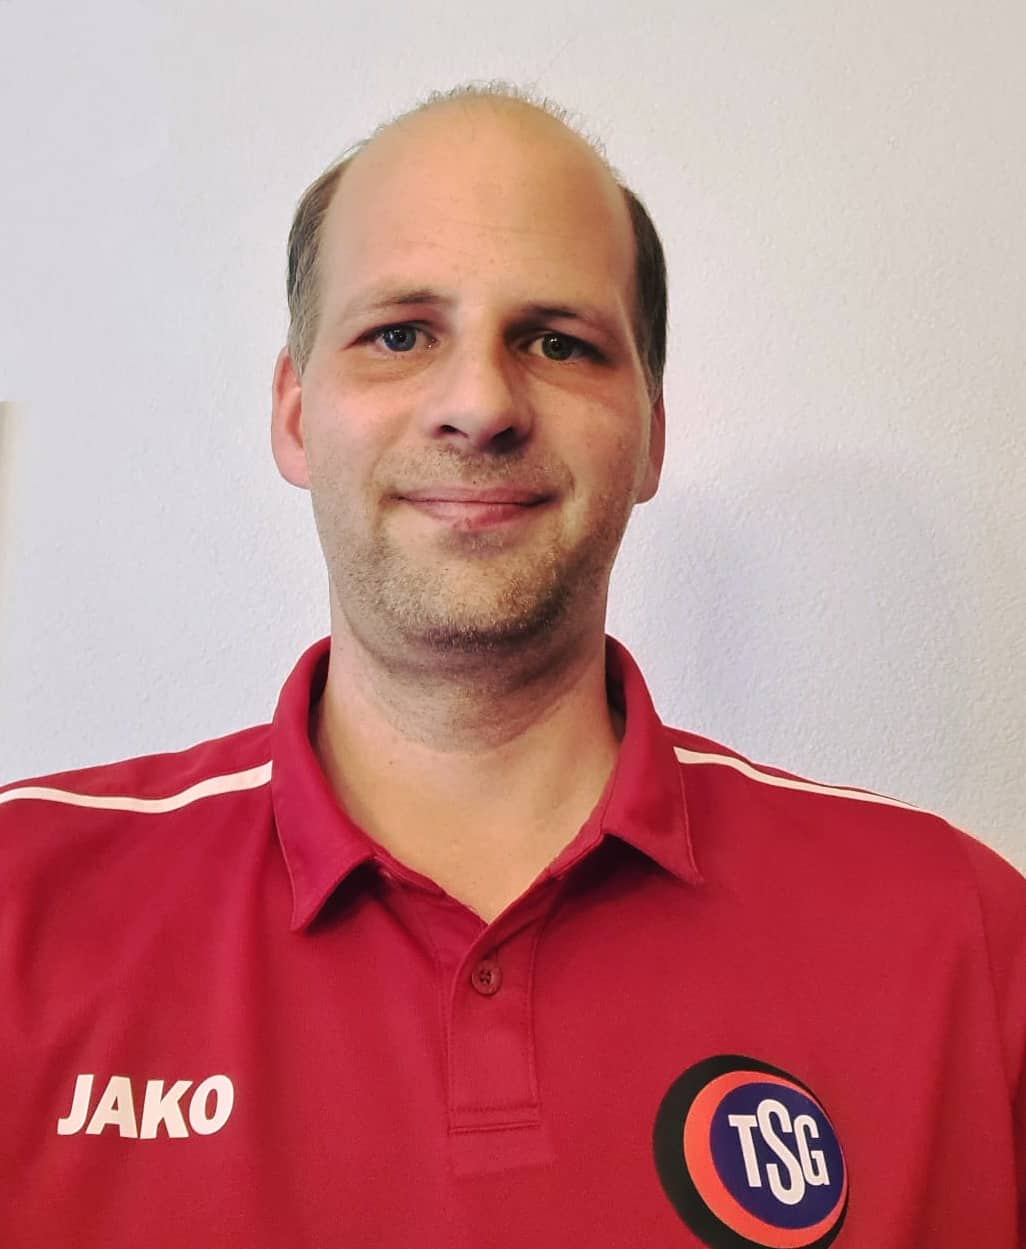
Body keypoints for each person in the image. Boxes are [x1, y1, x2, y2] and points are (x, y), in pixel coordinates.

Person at [1, 81, 1023, 1249]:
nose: (481, 404)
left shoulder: (963, 939)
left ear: (651, 433)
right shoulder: (20, 908)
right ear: (294, 415)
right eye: (400, 334)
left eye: (557, 342)